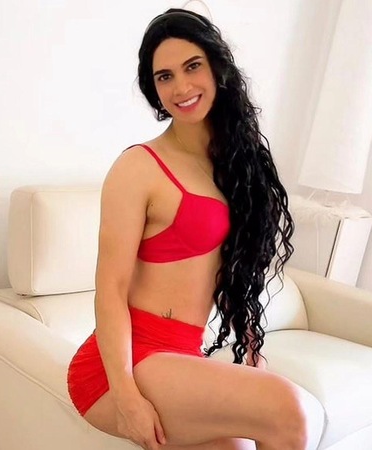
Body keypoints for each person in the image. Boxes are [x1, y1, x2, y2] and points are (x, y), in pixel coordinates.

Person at [67, 8, 308, 450]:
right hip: (121, 364)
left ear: (217, 67)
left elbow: (231, 273)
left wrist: (252, 351)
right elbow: (110, 289)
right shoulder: (138, 167)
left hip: (181, 354)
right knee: (288, 407)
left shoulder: (235, 167)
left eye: (192, 66)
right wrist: (127, 398)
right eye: (165, 76)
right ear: (154, 90)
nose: (181, 87)